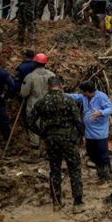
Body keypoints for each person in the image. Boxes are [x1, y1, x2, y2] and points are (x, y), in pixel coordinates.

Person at [28, 76, 85, 212]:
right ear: (61, 85)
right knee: (75, 169)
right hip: (68, 139)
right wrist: (81, 135)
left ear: (48, 86)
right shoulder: (68, 100)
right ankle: (77, 203)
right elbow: (77, 121)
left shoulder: (41, 102)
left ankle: (56, 202)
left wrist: (43, 134)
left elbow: (30, 122)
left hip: (51, 140)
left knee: (54, 170)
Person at [67, 80, 112, 182]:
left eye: (82, 91)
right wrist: (59, 94)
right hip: (89, 133)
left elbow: (110, 109)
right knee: (92, 154)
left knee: (103, 154)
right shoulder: (84, 97)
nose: (81, 93)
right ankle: (100, 173)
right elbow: (74, 97)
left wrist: (100, 112)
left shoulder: (101, 96)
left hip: (100, 133)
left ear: (87, 91)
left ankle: (108, 176)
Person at [20, 53, 54, 149]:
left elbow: (24, 93)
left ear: (35, 63)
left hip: (34, 105)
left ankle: (35, 151)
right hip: (49, 104)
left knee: (34, 126)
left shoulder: (30, 77)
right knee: (49, 126)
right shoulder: (52, 75)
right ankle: (48, 149)